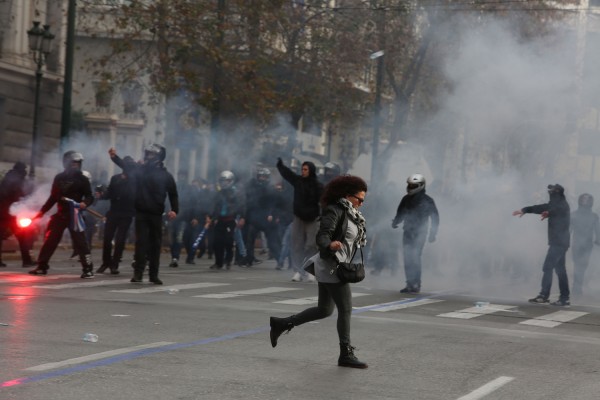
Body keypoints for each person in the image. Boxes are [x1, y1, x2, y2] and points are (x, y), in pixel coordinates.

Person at [269, 175, 369, 369]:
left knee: (324, 310)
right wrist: (329, 244)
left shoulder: (351, 213)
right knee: (346, 309)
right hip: (331, 266)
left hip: (331, 265)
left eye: (363, 200)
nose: (361, 203)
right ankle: (345, 354)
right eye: (359, 199)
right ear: (348, 196)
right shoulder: (335, 210)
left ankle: (281, 324)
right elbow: (323, 234)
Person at [110, 144, 178, 285]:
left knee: (155, 244)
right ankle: (138, 274)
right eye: (147, 154)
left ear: (159, 157)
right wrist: (114, 157)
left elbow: (173, 194)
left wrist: (174, 210)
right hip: (141, 213)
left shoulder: (166, 176)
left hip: (156, 215)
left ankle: (154, 275)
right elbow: (127, 166)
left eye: (151, 155)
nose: (147, 157)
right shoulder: (140, 171)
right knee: (141, 243)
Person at [29, 151, 95, 278]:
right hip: (61, 214)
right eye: (73, 162)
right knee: (50, 241)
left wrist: (85, 203)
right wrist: (41, 212)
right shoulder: (59, 178)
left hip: (75, 215)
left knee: (81, 243)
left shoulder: (83, 179)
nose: (75, 165)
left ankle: (88, 269)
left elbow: (89, 196)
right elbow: (53, 197)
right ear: (66, 163)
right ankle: (42, 266)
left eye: (77, 163)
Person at [513, 184, 571, 306]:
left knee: (548, 267)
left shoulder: (562, 205)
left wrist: (548, 212)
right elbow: (538, 208)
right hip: (559, 242)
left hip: (559, 243)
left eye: (552, 191)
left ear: (557, 192)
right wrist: (524, 210)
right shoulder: (553, 204)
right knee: (560, 270)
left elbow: (555, 210)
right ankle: (564, 298)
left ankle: (544, 295)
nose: (550, 192)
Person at [276, 158, 323, 282]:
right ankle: (298, 271)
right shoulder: (298, 181)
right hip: (298, 218)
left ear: (311, 170)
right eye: (302, 169)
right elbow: (288, 174)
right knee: (296, 245)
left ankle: (310, 271)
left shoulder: (318, 186)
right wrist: (280, 166)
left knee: (311, 245)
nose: (303, 171)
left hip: (312, 219)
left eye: (306, 169)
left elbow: (324, 201)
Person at [392, 174, 439, 294]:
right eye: (409, 185)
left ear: (421, 186)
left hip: (420, 233)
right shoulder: (406, 199)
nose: (410, 187)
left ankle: (416, 283)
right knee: (407, 258)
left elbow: (435, 218)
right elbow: (401, 212)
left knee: (415, 257)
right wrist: (396, 222)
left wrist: (432, 234)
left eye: (413, 185)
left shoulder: (428, 200)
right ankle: (409, 283)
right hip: (407, 231)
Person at [95, 156, 136, 275]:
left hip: (126, 213)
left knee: (120, 240)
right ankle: (105, 262)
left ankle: (115, 264)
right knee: (107, 238)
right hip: (113, 212)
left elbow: (132, 194)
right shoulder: (115, 178)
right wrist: (101, 196)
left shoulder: (134, 180)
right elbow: (110, 193)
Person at [0, 162, 36, 268]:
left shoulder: (7, 178)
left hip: (3, 212)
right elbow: (19, 195)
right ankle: (27, 260)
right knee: (22, 236)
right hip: (11, 213)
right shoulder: (17, 180)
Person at [243, 167, 281, 266]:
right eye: (260, 176)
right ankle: (249, 259)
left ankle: (279, 260)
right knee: (250, 240)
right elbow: (250, 202)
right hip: (255, 217)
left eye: (264, 176)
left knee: (272, 241)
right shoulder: (254, 187)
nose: (262, 178)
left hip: (266, 218)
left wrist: (271, 214)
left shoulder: (271, 189)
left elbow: (274, 203)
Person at [210, 170, 245, 270]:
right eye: (222, 181)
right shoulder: (219, 193)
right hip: (220, 220)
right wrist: (212, 216)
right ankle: (218, 262)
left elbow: (241, 206)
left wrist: (242, 217)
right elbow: (215, 206)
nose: (224, 183)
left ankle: (228, 260)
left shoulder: (236, 193)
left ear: (231, 181)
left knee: (228, 241)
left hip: (230, 220)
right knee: (217, 242)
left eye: (226, 181)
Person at [570, 193, 599, 296]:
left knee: (581, 267)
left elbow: (598, 230)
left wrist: (598, 241)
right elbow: (569, 229)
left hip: (584, 245)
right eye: (584, 199)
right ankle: (577, 288)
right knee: (579, 267)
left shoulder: (593, 216)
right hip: (579, 244)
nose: (585, 201)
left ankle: (577, 288)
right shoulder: (574, 214)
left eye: (587, 200)